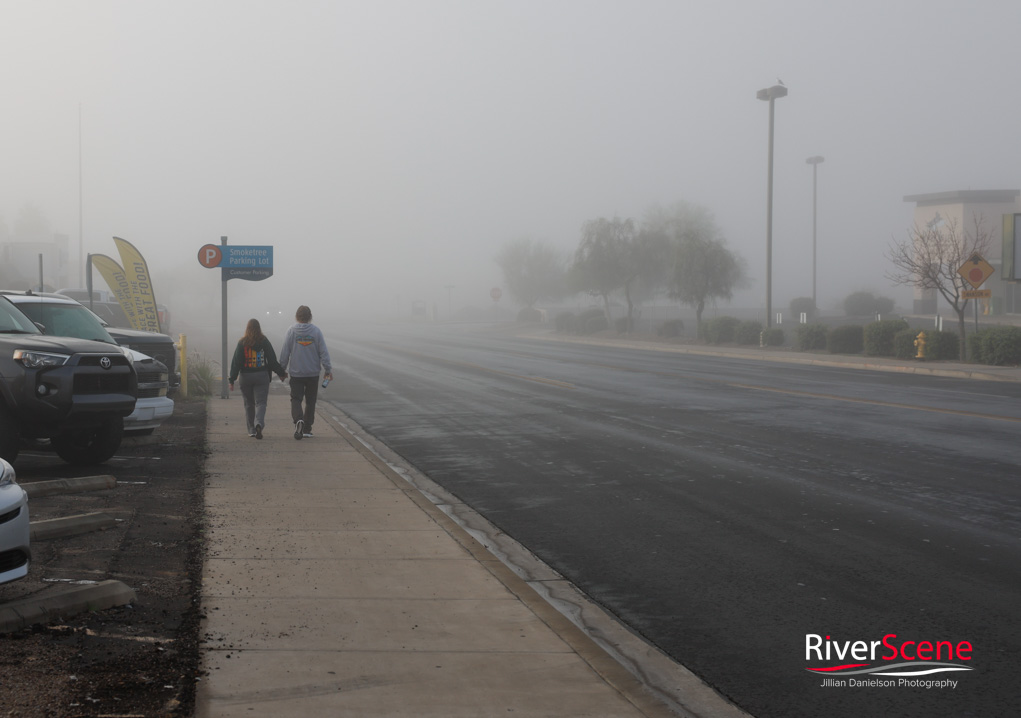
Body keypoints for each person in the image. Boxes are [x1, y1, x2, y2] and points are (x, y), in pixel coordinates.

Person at [278, 304, 332, 440]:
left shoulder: (291, 331)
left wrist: (282, 370)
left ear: (297, 317)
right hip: (313, 373)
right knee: (310, 401)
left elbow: (285, 352)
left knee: (296, 399)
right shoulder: (316, 332)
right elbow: (323, 352)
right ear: (310, 317)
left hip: (296, 373)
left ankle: (298, 420)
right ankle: (307, 429)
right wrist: (328, 369)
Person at [228, 318, 287, 439]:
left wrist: (232, 380)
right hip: (261, 376)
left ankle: (251, 430)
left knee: (249, 404)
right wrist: (281, 372)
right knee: (261, 403)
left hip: (245, 377)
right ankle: (259, 423)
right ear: (259, 328)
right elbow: (271, 361)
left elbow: (236, 363)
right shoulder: (264, 341)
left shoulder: (242, 343)